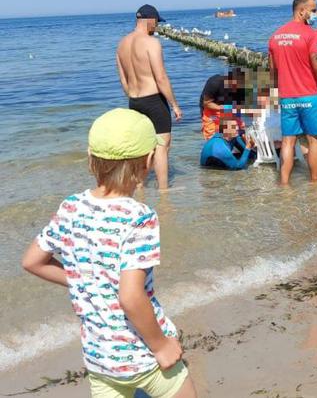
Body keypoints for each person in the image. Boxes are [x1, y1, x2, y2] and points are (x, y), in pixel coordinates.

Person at [21, 108, 196, 397]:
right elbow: (130, 296)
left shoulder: (71, 207)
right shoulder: (139, 217)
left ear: (91, 159)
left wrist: (82, 279)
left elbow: (32, 261)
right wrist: (161, 345)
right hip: (143, 355)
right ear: (149, 162)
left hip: (99, 358)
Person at [268, 0, 317, 185]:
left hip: (287, 98)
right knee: (314, 140)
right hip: (310, 96)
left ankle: (284, 184)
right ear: (302, 11)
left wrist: (277, 96)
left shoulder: (275, 36)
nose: (316, 13)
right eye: (313, 10)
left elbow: (272, 72)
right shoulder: (310, 34)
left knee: (288, 141)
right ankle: (315, 184)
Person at [116, 5, 182, 190]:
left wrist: (134, 96)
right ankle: (163, 191)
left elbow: (123, 79)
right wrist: (175, 105)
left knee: (140, 147)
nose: (157, 27)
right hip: (154, 100)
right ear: (150, 20)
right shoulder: (151, 43)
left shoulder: (122, 44)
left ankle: (139, 188)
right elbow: (160, 77)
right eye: (157, 23)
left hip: (135, 101)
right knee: (162, 146)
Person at [199, 68, 247, 141]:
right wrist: (223, 108)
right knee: (212, 131)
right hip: (211, 106)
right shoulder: (215, 82)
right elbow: (207, 103)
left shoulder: (242, 89)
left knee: (238, 129)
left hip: (229, 106)